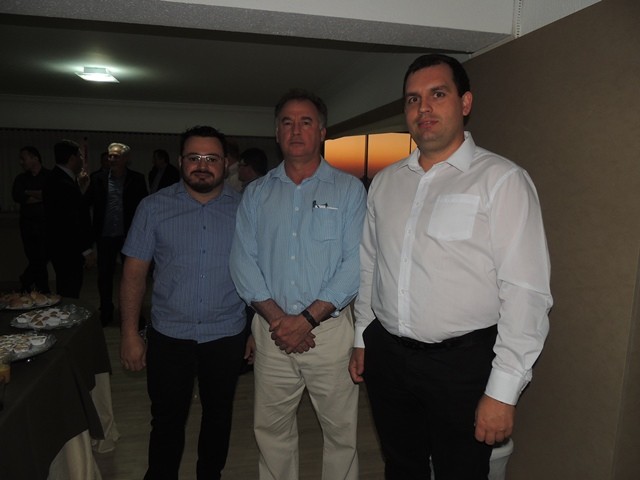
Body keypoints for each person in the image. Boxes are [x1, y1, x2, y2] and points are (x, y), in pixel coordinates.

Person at [348, 53, 553, 479]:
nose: (423, 108)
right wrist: (362, 336)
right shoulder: (385, 182)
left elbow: (526, 293)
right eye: (413, 99)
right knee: (400, 466)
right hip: (388, 355)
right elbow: (371, 265)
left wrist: (503, 390)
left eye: (437, 94)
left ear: (465, 103)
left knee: (460, 471)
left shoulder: (501, 180)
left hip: (462, 364)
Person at [230, 89, 366, 480]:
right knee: (271, 432)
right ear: (276, 132)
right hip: (272, 333)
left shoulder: (348, 190)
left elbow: (355, 264)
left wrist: (305, 320)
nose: (295, 130)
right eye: (287, 122)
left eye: (306, 122)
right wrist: (280, 321)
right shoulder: (256, 193)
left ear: (321, 132)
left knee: (341, 435)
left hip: (329, 335)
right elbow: (242, 262)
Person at [119, 126, 247, 480]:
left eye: (211, 158)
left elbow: (257, 273)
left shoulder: (245, 210)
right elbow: (133, 275)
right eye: (194, 157)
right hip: (169, 335)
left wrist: (254, 330)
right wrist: (129, 334)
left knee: (218, 416)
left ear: (226, 163)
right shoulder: (153, 208)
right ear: (180, 161)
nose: (202, 165)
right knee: (166, 420)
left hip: (226, 334)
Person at [88, 142, 147, 325]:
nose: (112, 159)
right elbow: (86, 203)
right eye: (110, 156)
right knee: (104, 276)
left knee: (132, 277)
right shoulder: (97, 178)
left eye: (116, 156)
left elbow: (144, 207)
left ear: (126, 159)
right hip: (105, 236)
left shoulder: (136, 179)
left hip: (129, 236)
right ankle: (106, 311)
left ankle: (132, 313)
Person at [42, 139, 95, 298]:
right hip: (68, 248)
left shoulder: (57, 178)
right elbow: (71, 221)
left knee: (66, 287)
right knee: (70, 290)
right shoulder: (63, 183)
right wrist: (86, 250)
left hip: (60, 246)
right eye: (80, 156)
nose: (82, 160)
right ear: (72, 158)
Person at [12, 146, 50, 292]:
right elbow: (19, 197)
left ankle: (27, 280)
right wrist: (40, 195)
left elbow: (51, 196)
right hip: (28, 225)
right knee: (35, 258)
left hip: (47, 224)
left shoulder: (49, 176)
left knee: (43, 257)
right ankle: (42, 290)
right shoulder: (21, 179)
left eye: (24, 158)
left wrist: (29, 192)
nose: (21, 162)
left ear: (35, 158)